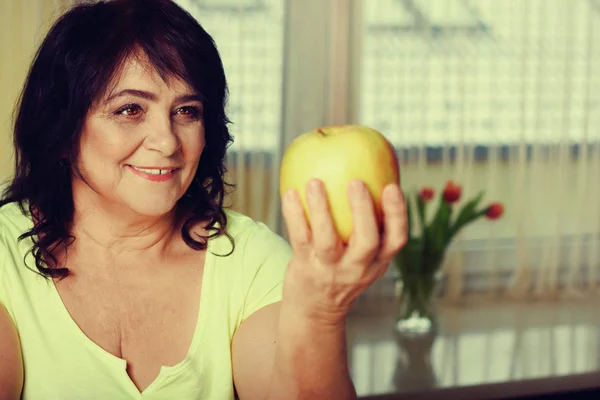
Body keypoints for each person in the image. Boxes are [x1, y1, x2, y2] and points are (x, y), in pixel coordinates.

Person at [0, 0, 407, 399]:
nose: (167, 141)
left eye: (187, 111)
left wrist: (320, 313)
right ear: (63, 132)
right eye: (129, 109)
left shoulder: (254, 259)